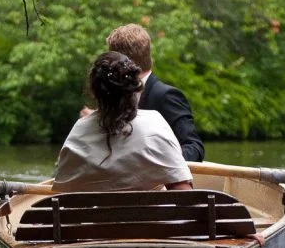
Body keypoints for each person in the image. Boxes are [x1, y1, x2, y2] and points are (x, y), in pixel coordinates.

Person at [54, 51, 194, 193]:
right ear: (135, 88)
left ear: (95, 93)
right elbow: (183, 193)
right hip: (148, 215)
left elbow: (64, 195)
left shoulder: (78, 131)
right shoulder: (154, 123)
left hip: (97, 215)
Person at [81, 23, 205, 162]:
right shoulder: (113, 95)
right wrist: (96, 119)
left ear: (124, 63)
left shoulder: (166, 96)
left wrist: (160, 165)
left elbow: (194, 147)